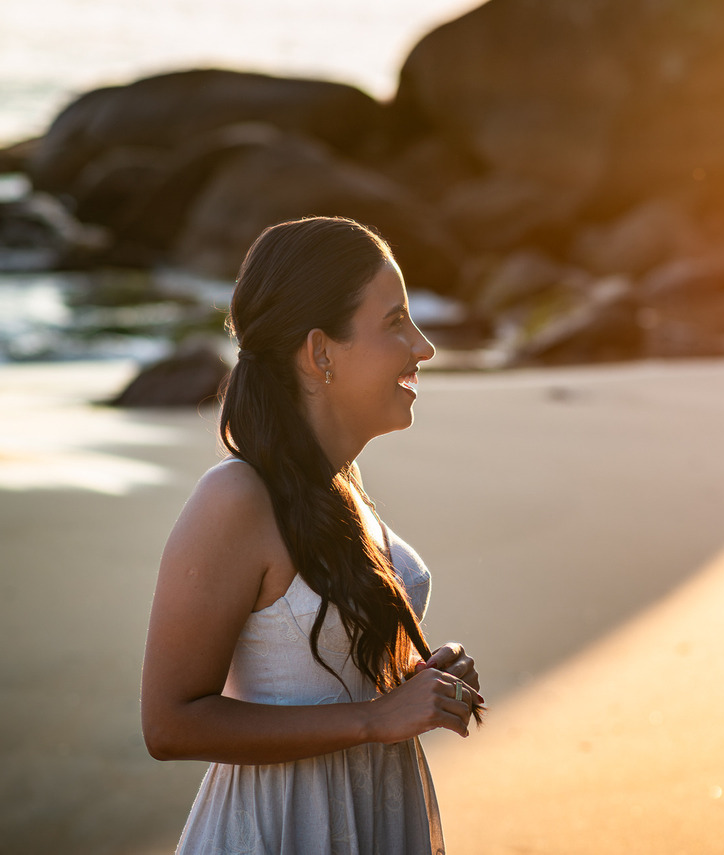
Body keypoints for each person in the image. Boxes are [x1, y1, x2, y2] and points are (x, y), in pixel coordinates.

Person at [141, 216, 482, 853]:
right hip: (283, 828)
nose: (424, 347)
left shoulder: (338, 486)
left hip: (376, 811)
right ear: (320, 351)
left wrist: (413, 680)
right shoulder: (236, 499)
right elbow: (170, 724)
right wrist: (374, 719)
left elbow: (317, 664)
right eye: (395, 322)